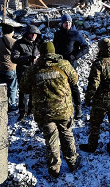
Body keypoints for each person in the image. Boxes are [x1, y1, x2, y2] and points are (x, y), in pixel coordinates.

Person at [20, 41, 80, 177]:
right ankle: (72, 161)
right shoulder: (64, 65)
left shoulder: (34, 68)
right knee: (66, 134)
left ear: (40, 53)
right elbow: (75, 80)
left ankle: (54, 168)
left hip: (44, 112)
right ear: (54, 52)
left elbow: (23, 88)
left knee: (51, 139)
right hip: (63, 110)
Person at [79, 38, 110, 157]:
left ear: (101, 49)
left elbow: (93, 84)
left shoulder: (99, 63)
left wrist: (88, 98)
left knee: (95, 123)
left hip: (101, 101)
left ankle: (92, 146)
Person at [53, 14, 89, 119]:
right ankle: (61, 106)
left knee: (73, 85)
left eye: (69, 22)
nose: (67, 24)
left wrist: (76, 55)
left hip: (71, 64)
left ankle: (78, 107)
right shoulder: (57, 34)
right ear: (62, 23)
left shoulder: (76, 34)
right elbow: (54, 48)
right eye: (65, 22)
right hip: (59, 64)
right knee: (59, 85)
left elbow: (85, 47)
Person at [11, 25, 41, 121]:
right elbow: (14, 58)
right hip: (23, 71)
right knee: (23, 93)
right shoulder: (19, 44)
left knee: (34, 92)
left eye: (35, 34)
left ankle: (31, 110)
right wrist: (29, 59)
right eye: (31, 34)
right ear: (27, 34)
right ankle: (22, 111)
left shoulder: (38, 44)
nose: (33, 36)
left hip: (35, 71)